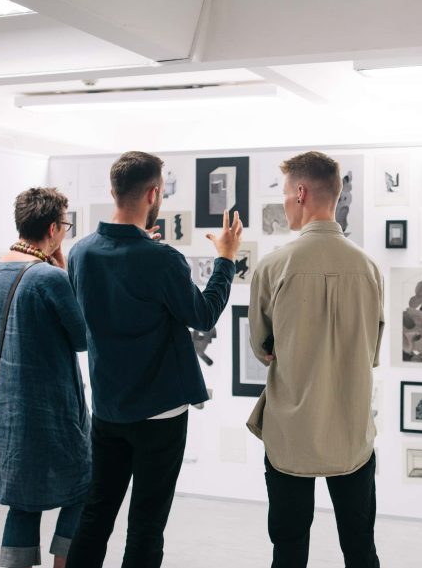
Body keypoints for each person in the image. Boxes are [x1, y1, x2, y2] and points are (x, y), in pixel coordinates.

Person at [65, 151, 242, 568]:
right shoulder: (162, 259)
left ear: (112, 191)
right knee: (146, 524)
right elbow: (202, 314)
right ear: (155, 193)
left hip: (108, 409)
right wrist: (226, 260)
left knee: (95, 514)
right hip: (160, 414)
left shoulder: (81, 252)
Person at [247, 151, 384, 568]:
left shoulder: (273, 267)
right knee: (360, 548)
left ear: (302, 193)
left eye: (286, 192)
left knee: (288, 551)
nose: (285, 201)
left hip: (291, 434)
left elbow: (262, 347)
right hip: (351, 432)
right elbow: (372, 351)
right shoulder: (369, 268)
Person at [0, 188, 90, 568]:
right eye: (64, 224)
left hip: (4, 413)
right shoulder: (49, 278)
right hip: (52, 412)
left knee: (22, 500)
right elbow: (83, 338)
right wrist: (65, 275)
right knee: (84, 486)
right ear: (52, 227)